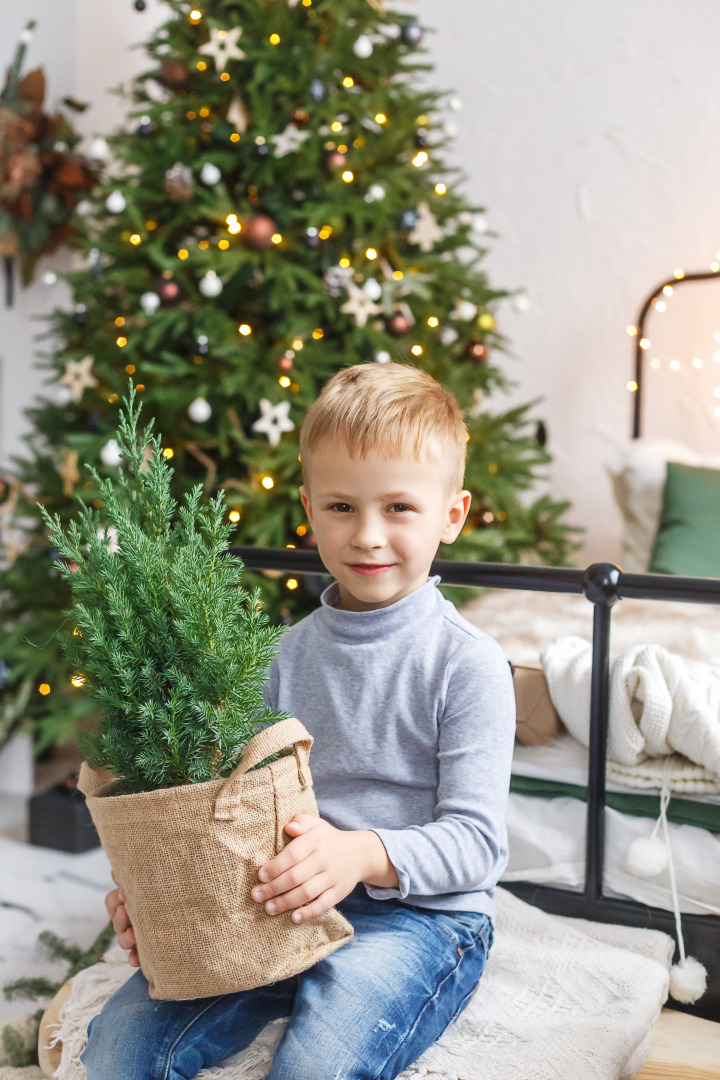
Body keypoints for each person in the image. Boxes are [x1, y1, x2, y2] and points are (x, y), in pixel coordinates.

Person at [83, 362, 516, 1080]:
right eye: (342, 508)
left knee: (318, 1064)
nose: (368, 536)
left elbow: (476, 844)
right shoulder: (277, 656)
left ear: (453, 515)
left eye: (399, 508)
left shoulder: (467, 664)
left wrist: (355, 855)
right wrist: (157, 899)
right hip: (279, 897)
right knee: (122, 1047)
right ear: (310, 509)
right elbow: (219, 807)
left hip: (421, 916)